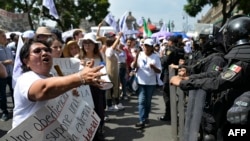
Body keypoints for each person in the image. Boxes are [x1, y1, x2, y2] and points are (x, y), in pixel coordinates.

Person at [170, 15, 250, 140]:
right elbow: (219, 75)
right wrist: (189, 79)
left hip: (241, 119)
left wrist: (184, 83)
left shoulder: (243, 61)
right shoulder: (242, 58)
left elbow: (218, 82)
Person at [12, 39, 105, 130]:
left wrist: (69, 92)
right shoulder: (25, 78)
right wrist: (80, 77)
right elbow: (44, 90)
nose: (44, 53)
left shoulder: (53, 76)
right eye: (37, 51)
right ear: (26, 61)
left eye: (47, 50)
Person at [78, 33, 107, 140]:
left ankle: (99, 129)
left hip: (98, 87)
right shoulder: (78, 58)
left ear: (95, 45)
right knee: (86, 110)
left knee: (99, 108)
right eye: (85, 43)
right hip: (83, 88)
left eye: (90, 43)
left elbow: (104, 70)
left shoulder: (100, 56)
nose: (87, 45)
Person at [132, 38, 162, 128]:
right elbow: (133, 66)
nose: (146, 48)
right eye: (145, 45)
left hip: (151, 83)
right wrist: (136, 56)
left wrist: (153, 67)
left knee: (148, 102)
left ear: (152, 47)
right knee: (141, 101)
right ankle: (141, 120)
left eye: (148, 46)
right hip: (140, 82)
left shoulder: (155, 57)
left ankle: (146, 117)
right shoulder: (139, 54)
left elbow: (159, 71)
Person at [0, 29, 14, 121]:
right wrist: (5, 62)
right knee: (2, 95)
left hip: (11, 74)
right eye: (3, 36)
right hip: (1, 76)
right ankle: (5, 112)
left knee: (14, 92)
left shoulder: (8, 48)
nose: (6, 38)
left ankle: (16, 108)